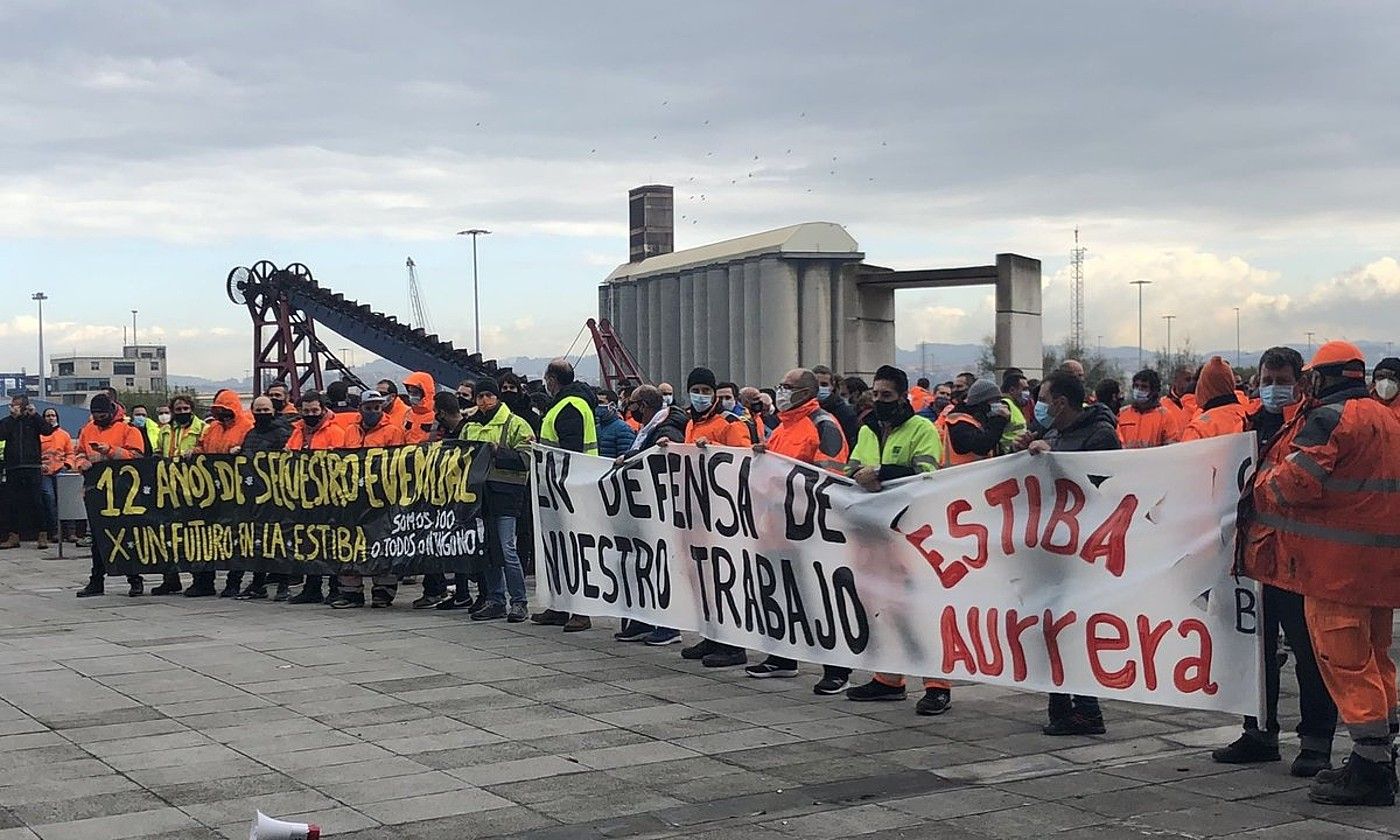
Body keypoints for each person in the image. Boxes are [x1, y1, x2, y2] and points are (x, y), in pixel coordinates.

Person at [1243, 341, 1400, 806]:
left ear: (1321, 377)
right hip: (1378, 568)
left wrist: (1260, 483)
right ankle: (1383, 755)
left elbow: (1298, 482)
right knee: (1376, 659)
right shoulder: (1386, 416)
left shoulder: (1329, 419)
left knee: (1346, 663)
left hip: (1335, 568)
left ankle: (1370, 768)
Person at [1213, 346, 1338, 778]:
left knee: (1309, 652)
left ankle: (1316, 742)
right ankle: (1259, 731)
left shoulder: (1313, 425)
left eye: (1281, 381)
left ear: (1300, 383)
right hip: (1256, 558)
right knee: (1256, 648)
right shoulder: (1250, 424)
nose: (1273, 389)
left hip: (1298, 560)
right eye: (1267, 380)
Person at [842, 365, 953, 709]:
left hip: (913, 534)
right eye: (875, 395)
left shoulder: (922, 429)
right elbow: (850, 469)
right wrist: (861, 474)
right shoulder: (867, 430)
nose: (879, 401)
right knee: (883, 607)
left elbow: (926, 475)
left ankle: (937, 685)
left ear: (903, 396)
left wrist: (883, 474)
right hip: (876, 534)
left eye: (886, 395)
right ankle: (888, 679)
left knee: (921, 609)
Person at [738, 368, 850, 683]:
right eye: (781, 386)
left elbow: (832, 475)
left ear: (804, 392)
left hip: (808, 527)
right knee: (779, 595)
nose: (781, 391)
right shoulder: (783, 428)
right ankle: (781, 657)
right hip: (777, 527)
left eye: (787, 387)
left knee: (818, 598)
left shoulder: (823, 425)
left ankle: (837, 669)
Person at [1026, 370, 1121, 735]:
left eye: (1044, 399)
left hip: (1086, 551)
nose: (1040, 406)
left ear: (1061, 403)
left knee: (1075, 629)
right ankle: (1061, 704)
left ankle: (1086, 709)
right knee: (1052, 628)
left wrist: (1056, 458)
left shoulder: (1101, 435)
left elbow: (1106, 485)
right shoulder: (1054, 434)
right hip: (1054, 549)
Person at [611, 385, 689, 645]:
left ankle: (668, 626)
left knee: (663, 566)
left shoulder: (665, 430)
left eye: (632, 404)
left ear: (643, 406)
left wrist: (631, 457)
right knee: (645, 564)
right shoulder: (651, 428)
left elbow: (662, 459)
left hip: (663, 507)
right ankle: (644, 619)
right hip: (649, 506)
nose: (629, 409)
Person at [461, 377, 536, 623]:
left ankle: (519, 601)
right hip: (479, 496)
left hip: (507, 493)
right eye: (480, 396)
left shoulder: (515, 424)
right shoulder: (469, 425)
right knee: (488, 549)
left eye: (488, 396)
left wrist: (497, 452)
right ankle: (495, 600)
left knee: (507, 549)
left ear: (497, 398)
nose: (484, 401)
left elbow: (527, 458)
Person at [531, 359, 598, 632]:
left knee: (573, 551)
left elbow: (569, 452)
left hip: (571, 490)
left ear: (551, 379)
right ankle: (560, 605)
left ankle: (580, 611)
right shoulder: (568, 404)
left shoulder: (569, 406)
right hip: (561, 488)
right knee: (559, 550)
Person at [332, 390, 406, 609]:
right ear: (360, 409)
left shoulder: (393, 431)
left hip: (382, 496)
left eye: (377, 408)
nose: (373, 411)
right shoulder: (350, 431)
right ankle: (350, 591)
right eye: (369, 407)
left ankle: (383, 591)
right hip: (354, 496)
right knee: (351, 542)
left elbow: (399, 461)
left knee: (383, 542)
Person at [74, 394, 146, 598]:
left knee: (126, 535)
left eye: (102, 414)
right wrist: (81, 463)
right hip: (96, 491)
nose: (98, 417)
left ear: (112, 411)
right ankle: (96, 581)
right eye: (95, 414)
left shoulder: (128, 429)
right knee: (98, 538)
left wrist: (111, 451)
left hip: (123, 492)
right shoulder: (88, 430)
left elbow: (137, 456)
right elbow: (78, 452)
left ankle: (135, 579)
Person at [416, 393, 483, 610]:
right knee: (456, 546)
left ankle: (479, 593)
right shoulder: (451, 431)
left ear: (442, 412)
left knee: (468, 546)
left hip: (465, 495)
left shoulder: (467, 429)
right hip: (451, 494)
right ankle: (462, 593)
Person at [189, 389, 253, 598]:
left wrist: (240, 453)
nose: (223, 415)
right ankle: (203, 581)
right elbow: (202, 448)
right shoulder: (212, 428)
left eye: (226, 411)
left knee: (236, 538)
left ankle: (233, 582)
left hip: (236, 492)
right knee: (206, 537)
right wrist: (193, 454)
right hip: (210, 492)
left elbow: (251, 454)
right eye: (219, 411)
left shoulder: (246, 427)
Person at [285, 391, 347, 605]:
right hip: (303, 494)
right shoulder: (297, 432)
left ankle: (335, 587)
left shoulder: (336, 432)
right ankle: (312, 587)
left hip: (329, 495)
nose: (310, 414)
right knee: (308, 542)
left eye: (314, 410)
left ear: (322, 409)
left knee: (331, 542)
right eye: (306, 411)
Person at [235, 396, 294, 600]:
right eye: (258, 410)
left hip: (278, 496)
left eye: (265, 410)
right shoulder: (250, 434)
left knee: (281, 540)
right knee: (258, 540)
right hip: (256, 497)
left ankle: (283, 584)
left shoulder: (282, 431)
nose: (261, 414)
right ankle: (258, 583)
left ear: (273, 410)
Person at [0, 395, 50, 550]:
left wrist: (34, 415)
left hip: (32, 465)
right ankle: (13, 535)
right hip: (13, 466)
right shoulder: (7, 422)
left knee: (37, 500)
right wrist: (13, 418)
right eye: (12, 405)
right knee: (12, 502)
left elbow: (47, 430)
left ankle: (43, 534)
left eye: (16, 405)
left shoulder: (33, 421)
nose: (12, 407)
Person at [941, 380, 1011, 467]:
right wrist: (999, 421)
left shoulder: (980, 419)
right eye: (994, 400)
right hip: (959, 474)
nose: (998, 404)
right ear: (982, 402)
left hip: (977, 474)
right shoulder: (958, 420)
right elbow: (981, 446)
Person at [1181, 357, 1249, 442]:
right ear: (1231, 383)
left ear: (1203, 387)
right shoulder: (1250, 414)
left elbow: (1185, 454)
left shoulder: (1197, 429)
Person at [684, 367, 753, 449]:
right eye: (695, 391)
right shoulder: (691, 423)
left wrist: (711, 446)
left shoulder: (731, 423)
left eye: (706, 390)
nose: (700, 395)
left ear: (714, 393)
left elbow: (742, 454)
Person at [1117, 369, 1182, 449]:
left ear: (1153, 391)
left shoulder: (1165, 416)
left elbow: (1172, 447)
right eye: (1136, 386)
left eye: (1144, 387)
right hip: (1126, 460)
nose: (1139, 390)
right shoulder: (1122, 414)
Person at [39, 407, 74, 545]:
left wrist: (67, 465)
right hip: (45, 472)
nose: (50, 418)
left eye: (53, 415)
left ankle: (71, 532)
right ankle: (54, 532)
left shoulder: (64, 435)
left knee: (66, 499)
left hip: (62, 470)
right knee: (49, 498)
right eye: (47, 415)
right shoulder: (39, 435)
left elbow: (70, 453)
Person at [814, 364, 859, 446]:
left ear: (832, 386)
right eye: (816, 384)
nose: (819, 388)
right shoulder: (803, 410)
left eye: (824, 384)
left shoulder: (845, 413)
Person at [595, 391, 637, 459]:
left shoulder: (623, 429)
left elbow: (625, 457)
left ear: (612, 405)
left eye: (601, 402)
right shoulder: (595, 425)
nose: (597, 405)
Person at [401, 372, 438, 443]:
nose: (411, 396)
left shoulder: (436, 416)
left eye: (415, 393)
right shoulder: (407, 413)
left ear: (425, 392)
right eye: (410, 392)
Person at [997, 371, 1029, 452]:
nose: (1027, 393)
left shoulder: (1016, 405)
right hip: (1007, 455)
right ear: (1012, 390)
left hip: (1017, 452)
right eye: (1024, 389)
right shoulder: (1005, 405)